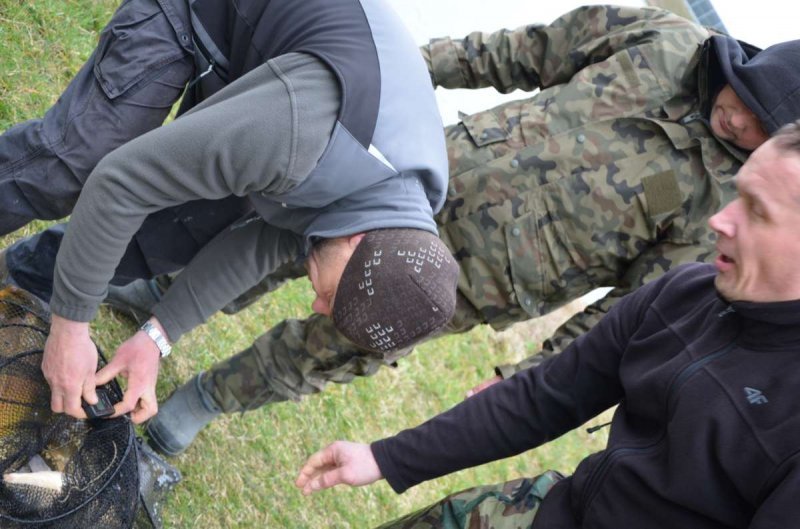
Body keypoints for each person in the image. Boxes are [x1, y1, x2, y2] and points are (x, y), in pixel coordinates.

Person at [89, 4, 800, 456]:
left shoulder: (732, 197)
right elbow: (521, 51)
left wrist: (524, 380)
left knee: (334, 343)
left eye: (760, 128)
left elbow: (624, 310)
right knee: (284, 237)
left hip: (477, 283)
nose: (740, 122)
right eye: (744, 100)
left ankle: (197, 405)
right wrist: (400, 71)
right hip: (421, 179)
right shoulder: (663, 40)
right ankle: (165, 296)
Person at [295, 120, 800, 528]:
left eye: (757, 211)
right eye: (738, 194)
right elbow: (547, 395)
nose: (721, 220)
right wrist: (387, 457)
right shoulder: (686, 294)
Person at [0, 0, 460, 425]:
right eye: (332, 295)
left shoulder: (401, 217)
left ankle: (18, 279)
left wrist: (157, 337)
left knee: (178, 233)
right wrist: (72, 325)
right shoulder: (306, 140)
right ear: (357, 243)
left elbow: (259, 247)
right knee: (69, 165)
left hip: (268, 77)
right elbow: (120, 182)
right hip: (203, 13)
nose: (317, 305)